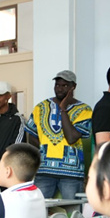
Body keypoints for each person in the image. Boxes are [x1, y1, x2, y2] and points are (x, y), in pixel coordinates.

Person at [24, 70, 92, 200]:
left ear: (73, 87)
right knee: (38, 208)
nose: (60, 89)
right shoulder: (41, 107)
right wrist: (43, 151)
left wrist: (63, 109)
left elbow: (72, 138)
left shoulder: (84, 109)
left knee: (73, 211)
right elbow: (31, 134)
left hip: (71, 172)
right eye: (57, 85)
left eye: (65, 86)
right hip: (44, 170)